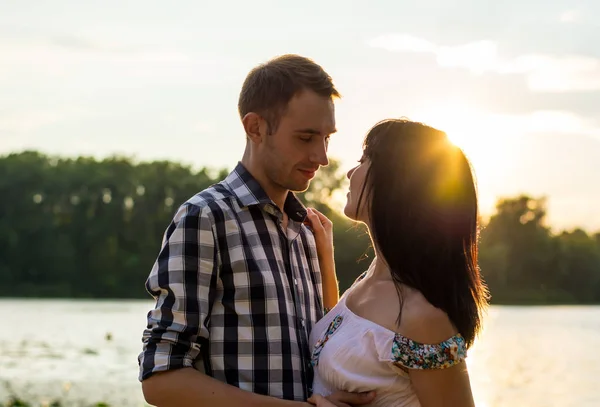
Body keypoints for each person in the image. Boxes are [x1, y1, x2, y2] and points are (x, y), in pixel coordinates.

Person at [138, 54, 376, 407]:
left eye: (326, 138)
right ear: (255, 128)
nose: (322, 157)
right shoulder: (203, 218)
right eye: (306, 137)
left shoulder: (308, 233)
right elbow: (160, 380)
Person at [304, 119, 490, 407]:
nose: (350, 172)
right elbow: (349, 337)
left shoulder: (422, 318)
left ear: (396, 181)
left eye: (363, 160)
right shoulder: (371, 281)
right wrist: (325, 256)